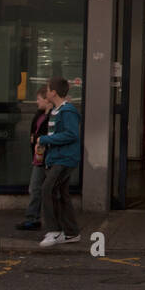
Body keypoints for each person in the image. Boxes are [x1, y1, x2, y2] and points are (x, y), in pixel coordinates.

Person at [36, 76, 81, 246]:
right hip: (58, 158)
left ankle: (54, 230)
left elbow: (71, 134)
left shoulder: (67, 111)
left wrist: (45, 140)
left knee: (47, 189)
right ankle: (71, 233)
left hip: (65, 159)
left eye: (47, 90)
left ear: (53, 93)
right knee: (62, 195)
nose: (46, 92)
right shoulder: (56, 111)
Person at [16, 85, 51, 231]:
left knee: (38, 188)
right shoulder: (40, 114)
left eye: (38, 99)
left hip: (47, 157)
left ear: (47, 99)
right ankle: (34, 218)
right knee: (36, 188)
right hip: (39, 156)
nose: (37, 102)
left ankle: (36, 218)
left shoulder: (53, 116)